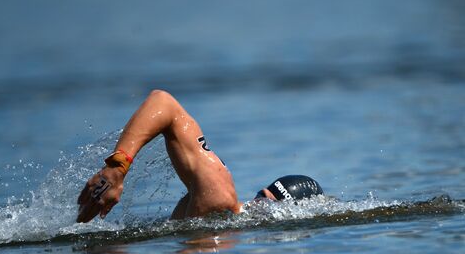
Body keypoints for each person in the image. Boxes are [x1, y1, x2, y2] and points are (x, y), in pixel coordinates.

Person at [77, 90, 323, 223]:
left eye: (268, 204)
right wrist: (117, 167)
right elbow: (163, 103)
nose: (258, 206)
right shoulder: (220, 195)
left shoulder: (222, 221)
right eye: (262, 199)